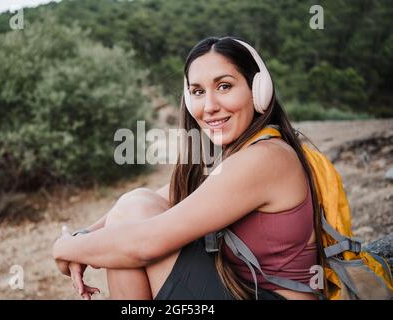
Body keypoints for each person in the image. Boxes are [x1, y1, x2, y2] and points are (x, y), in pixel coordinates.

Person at [52, 36, 327, 300]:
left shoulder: (265, 158)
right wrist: (85, 235)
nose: (209, 107)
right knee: (135, 203)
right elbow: (158, 198)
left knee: (134, 219)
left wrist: (68, 248)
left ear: (259, 90)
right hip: (245, 291)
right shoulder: (235, 155)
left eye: (224, 86)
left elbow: (145, 245)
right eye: (197, 91)